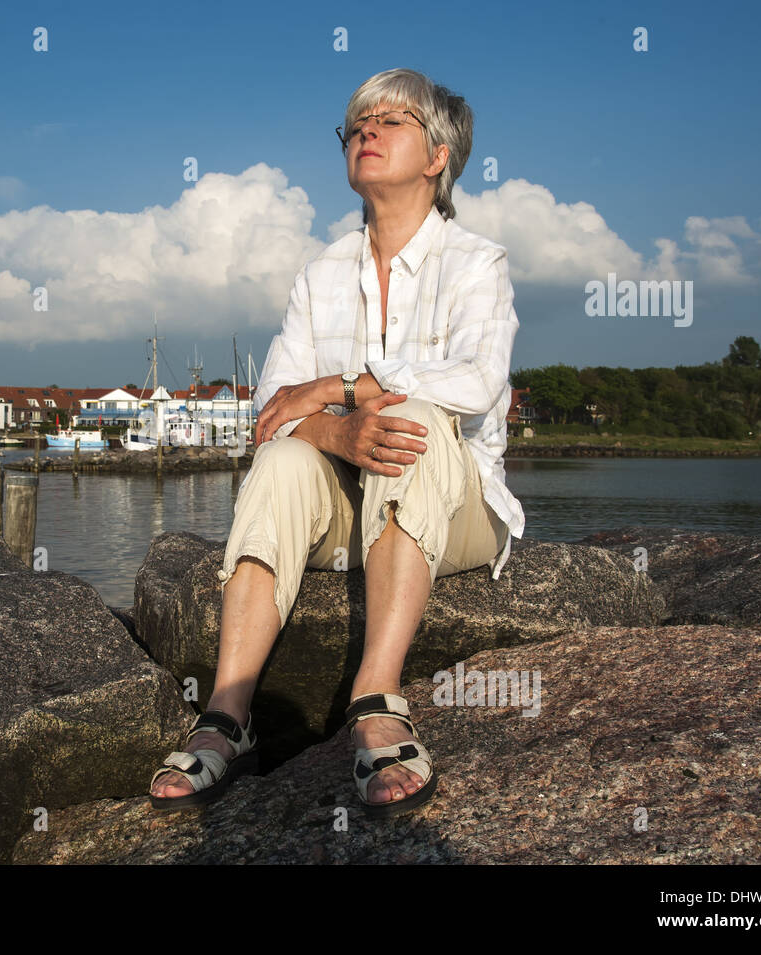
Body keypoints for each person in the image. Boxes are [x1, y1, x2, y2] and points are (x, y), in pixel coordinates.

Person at [149, 68, 525, 818]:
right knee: (286, 457)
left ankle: (376, 694)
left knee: (413, 414)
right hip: (345, 511)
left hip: (455, 507)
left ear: (439, 155)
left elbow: (477, 384)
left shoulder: (478, 263)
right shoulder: (320, 273)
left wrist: (337, 388)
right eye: (356, 123)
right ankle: (229, 712)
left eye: (391, 121)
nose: (366, 131)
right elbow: (270, 412)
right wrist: (332, 426)